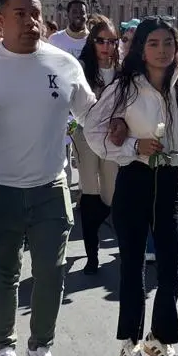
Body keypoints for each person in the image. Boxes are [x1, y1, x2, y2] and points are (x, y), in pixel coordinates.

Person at [0, 0, 97, 356]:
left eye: (34, 13)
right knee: (3, 274)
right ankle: (4, 347)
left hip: (50, 186)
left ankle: (41, 348)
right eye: (19, 14)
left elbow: (92, 114)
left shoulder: (63, 63)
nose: (30, 21)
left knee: (51, 273)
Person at [87, 17, 178, 356]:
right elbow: (92, 129)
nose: (162, 51)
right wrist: (133, 145)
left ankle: (160, 338)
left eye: (168, 43)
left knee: (171, 266)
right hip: (133, 180)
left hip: (171, 181)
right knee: (132, 266)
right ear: (141, 49)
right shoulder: (125, 87)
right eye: (153, 44)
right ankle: (130, 340)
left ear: (176, 48)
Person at [74, 15, 121, 275]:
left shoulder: (123, 69)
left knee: (112, 193)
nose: (107, 46)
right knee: (91, 192)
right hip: (86, 135)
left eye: (112, 41)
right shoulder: (81, 68)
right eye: (101, 41)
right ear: (92, 42)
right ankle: (92, 255)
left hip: (114, 138)